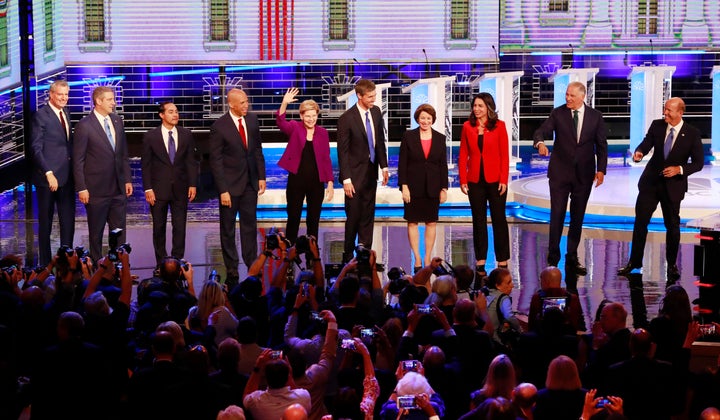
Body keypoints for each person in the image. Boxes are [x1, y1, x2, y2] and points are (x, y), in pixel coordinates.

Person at [617, 97, 704, 280]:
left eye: (669, 111)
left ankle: (671, 265)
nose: (665, 113)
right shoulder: (657, 125)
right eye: (664, 109)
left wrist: (679, 169)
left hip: (673, 187)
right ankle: (635, 262)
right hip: (650, 183)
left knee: (672, 226)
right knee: (640, 222)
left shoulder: (692, 133)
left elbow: (698, 163)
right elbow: (646, 143)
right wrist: (640, 151)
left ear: (680, 113)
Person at [533, 81, 607, 275]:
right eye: (567, 95)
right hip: (559, 173)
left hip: (584, 174)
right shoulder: (558, 113)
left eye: (572, 96)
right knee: (556, 215)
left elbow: (601, 145)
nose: (568, 98)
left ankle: (572, 257)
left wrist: (601, 170)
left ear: (582, 96)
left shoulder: (595, 117)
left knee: (577, 217)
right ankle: (553, 259)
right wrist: (540, 143)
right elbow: (541, 131)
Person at [209, 88, 266, 286]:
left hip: (250, 182)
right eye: (242, 102)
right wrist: (223, 189)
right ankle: (232, 267)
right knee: (228, 228)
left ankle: (251, 262)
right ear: (231, 104)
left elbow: (257, 149)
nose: (246, 105)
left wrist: (261, 176)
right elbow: (215, 161)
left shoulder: (251, 120)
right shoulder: (219, 126)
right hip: (229, 187)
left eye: (246, 101)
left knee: (250, 225)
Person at [73, 86, 132, 262]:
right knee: (96, 234)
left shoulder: (117, 121)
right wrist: (81, 187)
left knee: (119, 232)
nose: (114, 103)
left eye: (113, 99)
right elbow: (78, 160)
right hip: (96, 190)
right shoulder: (84, 126)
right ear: (98, 101)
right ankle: (97, 270)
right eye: (110, 100)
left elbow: (122, 154)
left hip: (118, 188)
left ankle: (121, 267)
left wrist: (127, 179)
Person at [336, 78, 389, 263]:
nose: (374, 99)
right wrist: (346, 179)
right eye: (370, 96)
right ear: (359, 96)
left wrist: (384, 166)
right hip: (354, 176)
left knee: (368, 213)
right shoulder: (346, 118)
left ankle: (365, 252)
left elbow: (379, 142)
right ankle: (348, 255)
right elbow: (342, 151)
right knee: (353, 216)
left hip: (371, 172)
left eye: (374, 95)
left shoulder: (375, 112)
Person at [141, 101, 199, 266]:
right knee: (158, 228)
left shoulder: (186, 134)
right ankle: (161, 263)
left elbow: (191, 162)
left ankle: (177, 260)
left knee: (179, 226)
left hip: (181, 189)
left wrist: (192, 184)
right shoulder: (151, 136)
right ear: (162, 115)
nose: (175, 115)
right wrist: (148, 188)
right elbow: (146, 165)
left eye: (176, 111)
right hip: (158, 190)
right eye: (171, 111)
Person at [459, 93, 509, 277]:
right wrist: (463, 179)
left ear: (489, 107)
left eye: (480, 106)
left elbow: (505, 154)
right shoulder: (467, 126)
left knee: (499, 220)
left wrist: (504, 179)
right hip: (474, 180)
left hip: (495, 180)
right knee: (478, 221)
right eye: (475, 106)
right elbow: (463, 153)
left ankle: (502, 259)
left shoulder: (499, 126)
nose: (476, 109)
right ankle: (480, 260)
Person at [275, 87, 334, 244]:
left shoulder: (323, 133)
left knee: (313, 220)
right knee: (293, 217)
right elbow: (281, 122)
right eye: (307, 116)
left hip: (316, 183)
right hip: (296, 181)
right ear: (301, 116)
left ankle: (311, 256)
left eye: (314, 116)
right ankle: (289, 255)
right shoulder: (295, 127)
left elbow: (326, 159)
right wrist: (284, 103)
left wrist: (330, 182)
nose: (311, 119)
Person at [398, 103, 448, 272]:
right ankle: (417, 258)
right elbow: (402, 163)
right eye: (422, 118)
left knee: (431, 222)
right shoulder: (408, 136)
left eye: (428, 118)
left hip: (433, 187)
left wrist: (444, 188)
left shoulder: (440, 138)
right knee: (412, 222)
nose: (425, 121)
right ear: (417, 119)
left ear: (432, 119)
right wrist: (404, 186)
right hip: (412, 187)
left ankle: (427, 256)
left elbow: (443, 165)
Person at [30, 80, 75, 266]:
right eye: (60, 94)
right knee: (46, 223)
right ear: (51, 94)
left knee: (68, 222)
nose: (64, 98)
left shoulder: (66, 112)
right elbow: (35, 148)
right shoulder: (41, 115)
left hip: (66, 177)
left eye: (66, 94)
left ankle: (67, 262)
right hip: (47, 178)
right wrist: (48, 172)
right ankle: (45, 265)